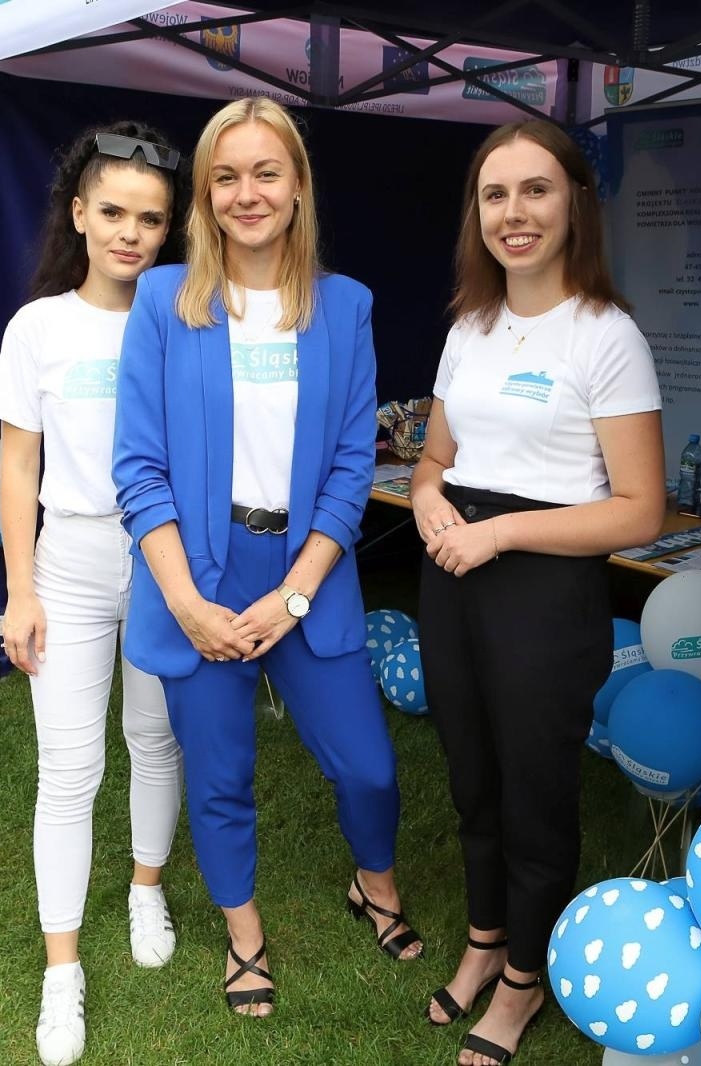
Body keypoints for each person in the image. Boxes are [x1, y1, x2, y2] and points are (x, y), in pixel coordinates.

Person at [113, 96, 423, 1019]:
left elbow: (350, 463)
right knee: (219, 773)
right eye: (225, 176)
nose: (247, 194)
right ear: (205, 195)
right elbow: (139, 467)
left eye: (266, 172)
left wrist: (293, 595)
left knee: (368, 766)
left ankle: (376, 883)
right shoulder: (166, 301)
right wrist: (190, 606)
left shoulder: (346, 306)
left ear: (297, 186)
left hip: (305, 577)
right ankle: (243, 933)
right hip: (196, 581)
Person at [413, 119, 666, 1066]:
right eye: (494, 195)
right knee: (471, 770)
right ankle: (486, 940)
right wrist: (434, 501)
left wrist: (503, 532)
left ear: (574, 205)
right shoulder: (469, 327)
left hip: (541, 587)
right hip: (457, 571)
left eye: (535, 191)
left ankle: (526, 977)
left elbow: (640, 512)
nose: (513, 214)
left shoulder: (607, 336)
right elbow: (435, 459)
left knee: (534, 789)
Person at [0, 121, 188, 1066]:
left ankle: (147, 884)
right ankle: (60, 968)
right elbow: (15, 470)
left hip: (163, 561)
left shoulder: (188, 316)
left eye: (150, 217)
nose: (131, 232)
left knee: (155, 736)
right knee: (68, 770)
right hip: (66, 559)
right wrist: (20, 590)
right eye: (112, 211)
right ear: (77, 212)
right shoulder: (39, 326)